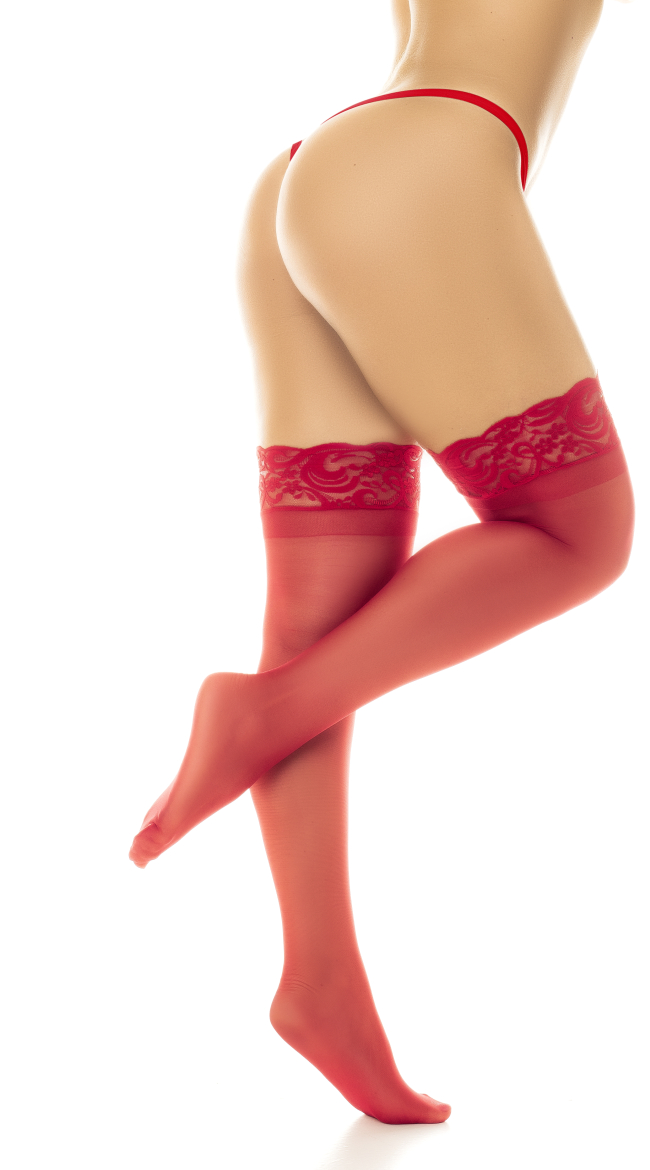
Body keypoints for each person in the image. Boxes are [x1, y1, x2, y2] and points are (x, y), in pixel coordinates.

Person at [129, 0, 634, 1125]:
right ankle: (256, 714)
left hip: (321, 170)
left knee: (323, 628)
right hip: (424, 164)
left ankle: (320, 980)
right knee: (579, 534)